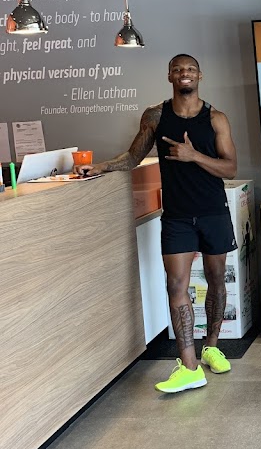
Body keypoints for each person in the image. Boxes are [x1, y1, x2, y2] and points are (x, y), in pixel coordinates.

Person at [79, 54, 238, 394]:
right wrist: (101, 167)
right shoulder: (155, 116)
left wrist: (193, 155)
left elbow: (230, 168)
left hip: (213, 211)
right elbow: (132, 157)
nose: (185, 74)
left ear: (200, 76)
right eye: (178, 69)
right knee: (176, 286)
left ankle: (211, 347)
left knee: (216, 281)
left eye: (190, 69)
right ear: (169, 76)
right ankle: (190, 367)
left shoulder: (216, 118)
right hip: (177, 216)